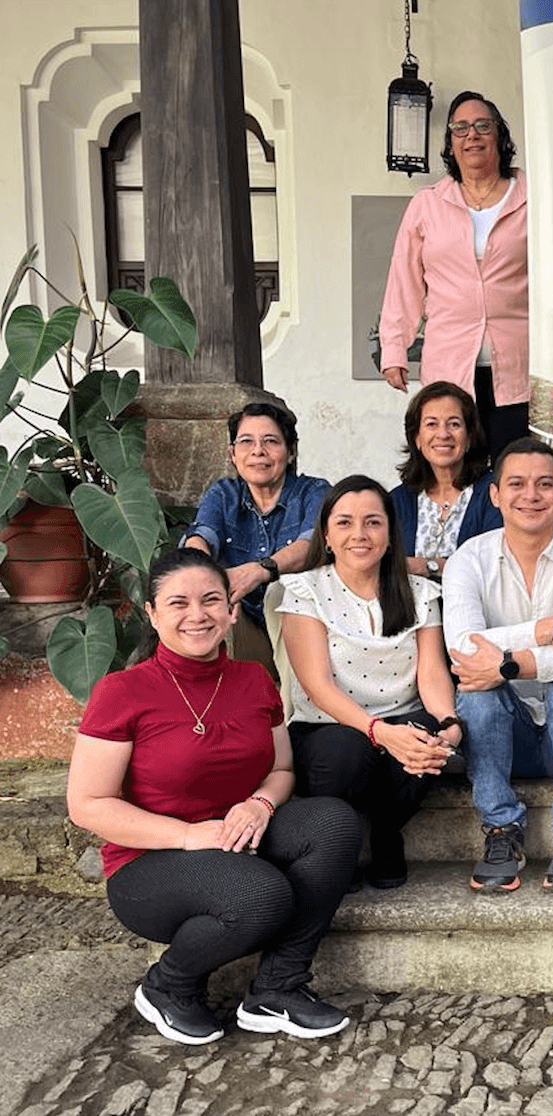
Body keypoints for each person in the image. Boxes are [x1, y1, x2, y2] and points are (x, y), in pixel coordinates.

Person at [66, 548, 359, 1045]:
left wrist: (260, 803)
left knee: (334, 822)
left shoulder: (253, 678)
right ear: (153, 614)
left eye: (210, 600)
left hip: (235, 833)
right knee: (262, 893)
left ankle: (277, 988)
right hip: (149, 861)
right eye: (178, 603)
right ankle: (170, 986)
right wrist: (185, 836)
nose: (197, 615)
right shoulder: (122, 691)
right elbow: (88, 804)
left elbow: (282, 768)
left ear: (230, 609)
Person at [443, 438, 553, 892]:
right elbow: (464, 648)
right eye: (517, 484)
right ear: (495, 495)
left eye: (545, 484)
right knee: (477, 695)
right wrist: (548, 629)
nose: (531, 496)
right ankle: (501, 829)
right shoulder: (469, 559)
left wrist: (506, 664)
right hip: (507, 737)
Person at [278, 475, 463, 890]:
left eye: (372, 523)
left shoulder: (420, 593)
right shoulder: (305, 590)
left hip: (399, 722)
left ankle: (385, 833)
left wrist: (449, 723)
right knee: (351, 748)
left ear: (389, 533)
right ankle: (338, 844)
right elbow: (317, 687)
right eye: (344, 523)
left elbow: (431, 673)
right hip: (328, 732)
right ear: (326, 535)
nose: (359, 535)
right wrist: (380, 732)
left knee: (429, 737)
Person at [379, 90, 528, 463]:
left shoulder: (535, 197)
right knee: (457, 473)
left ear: (500, 136)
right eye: (460, 128)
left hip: (521, 367)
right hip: (450, 368)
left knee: (516, 471)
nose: (471, 135)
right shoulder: (427, 204)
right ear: (450, 142)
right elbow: (404, 280)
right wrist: (395, 347)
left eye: (482, 126)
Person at [184, 402, 329, 678]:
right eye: (246, 442)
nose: (257, 451)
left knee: (282, 594)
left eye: (270, 441)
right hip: (246, 623)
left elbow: (312, 545)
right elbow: (202, 536)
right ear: (232, 454)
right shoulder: (224, 494)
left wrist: (260, 570)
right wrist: (203, 570)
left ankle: (292, 717)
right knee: (215, 604)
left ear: (291, 452)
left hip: (306, 629)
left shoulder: (313, 491)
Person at [388, 381, 503, 580]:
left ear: (469, 437)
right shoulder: (398, 500)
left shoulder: (493, 494)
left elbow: (494, 565)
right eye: (432, 424)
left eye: (454, 424)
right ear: (417, 438)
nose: (443, 434)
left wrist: (428, 566)